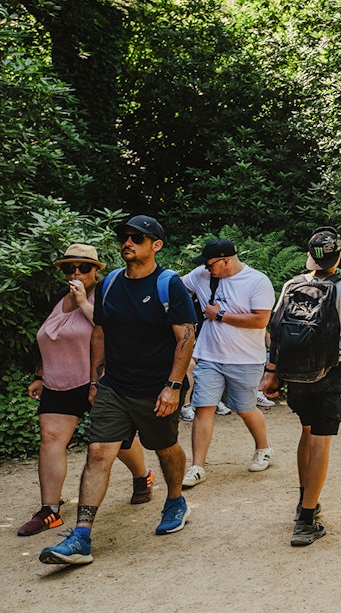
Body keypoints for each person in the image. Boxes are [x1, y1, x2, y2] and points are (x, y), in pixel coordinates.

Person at [40, 216, 196, 565]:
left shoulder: (169, 285)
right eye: (124, 237)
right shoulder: (110, 282)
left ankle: (175, 500)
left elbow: (185, 337)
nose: (128, 242)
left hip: (156, 389)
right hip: (115, 386)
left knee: (166, 448)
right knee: (98, 452)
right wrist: (97, 380)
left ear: (156, 245)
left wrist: (172, 387)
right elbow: (100, 331)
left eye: (137, 238)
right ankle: (81, 536)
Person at [20, 244, 155, 537]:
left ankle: (142, 476)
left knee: (114, 441)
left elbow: (116, 329)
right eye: (70, 268)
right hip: (58, 380)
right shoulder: (59, 297)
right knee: (50, 438)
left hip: (99, 379)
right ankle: (49, 510)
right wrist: (40, 375)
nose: (76, 273)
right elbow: (50, 337)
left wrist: (83, 302)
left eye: (83, 267)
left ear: (96, 270)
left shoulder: (109, 292)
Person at [263, 226, 341, 547]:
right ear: (339, 257)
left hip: (295, 375)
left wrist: (271, 371)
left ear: (310, 256)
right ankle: (306, 521)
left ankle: (303, 500)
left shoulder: (291, 284)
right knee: (321, 441)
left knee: (307, 432)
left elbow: (275, 330)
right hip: (327, 374)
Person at [179, 239, 276, 488]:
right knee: (204, 407)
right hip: (210, 356)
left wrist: (220, 315)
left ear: (226, 260)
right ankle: (197, 466)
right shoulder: (201, 275)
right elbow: (176, 286)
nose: (206, 269)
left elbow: (260, 320)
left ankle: (263, 448)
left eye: (210, 264)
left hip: (245, 359)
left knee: (245, 408)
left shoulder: (257, 281)